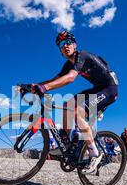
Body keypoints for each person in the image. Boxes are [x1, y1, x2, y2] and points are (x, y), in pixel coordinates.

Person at [19, 31, 119, 174]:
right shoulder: (68, 64)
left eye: (68, 42)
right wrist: (32, 87)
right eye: (61, 44)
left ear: (75, 45)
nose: (65, 46)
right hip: (97, 88)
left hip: (109, 90)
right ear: (60, 50)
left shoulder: (82, 56)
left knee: (78, 112)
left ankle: (94, 155)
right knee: (67, 106)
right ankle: (66, 144)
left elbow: (71, 78)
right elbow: (54, 81)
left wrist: (43, 88)